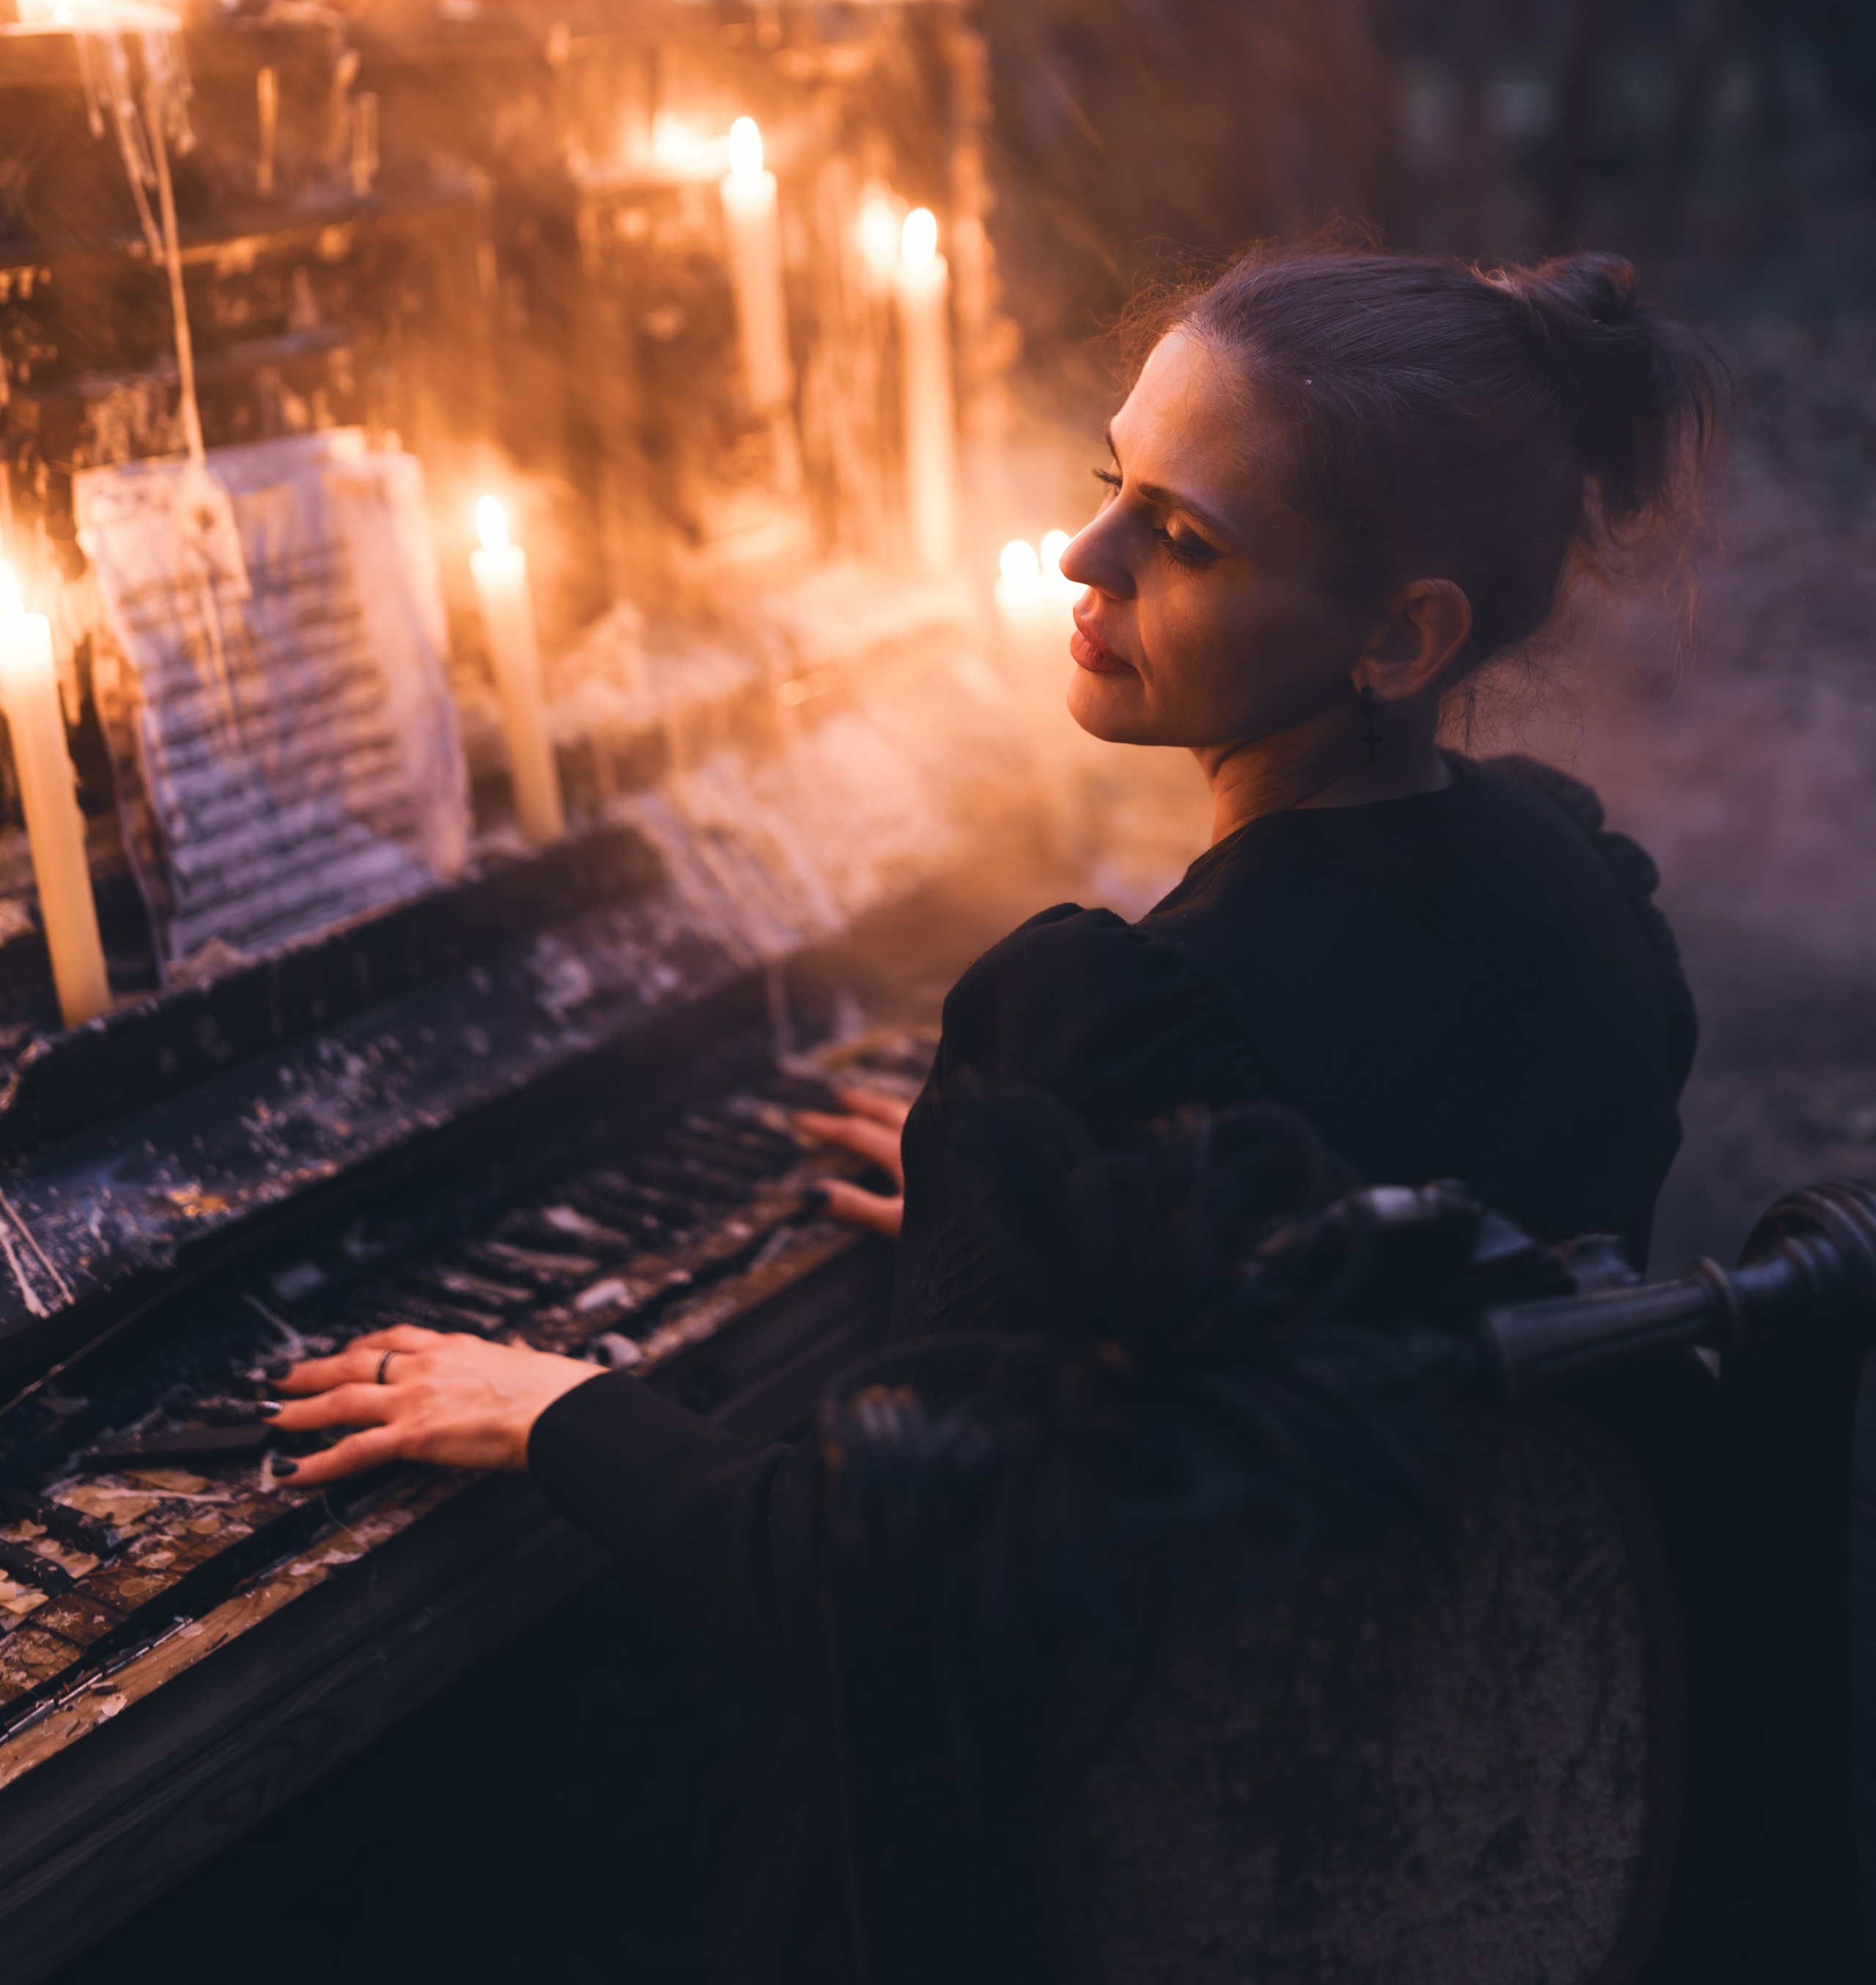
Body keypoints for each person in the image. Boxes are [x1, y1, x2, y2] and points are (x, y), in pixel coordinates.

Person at [267, 243, 1721, 1657]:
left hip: (1202, 1792)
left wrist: (553, 1406)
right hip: (1544, 1692)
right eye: (1110, 485)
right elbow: (1367, 1274)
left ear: (1399, 638)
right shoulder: (1577, 884)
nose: (1083, 558)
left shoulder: (1106, 1019)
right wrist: (1051, 1228)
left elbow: (859, 1574)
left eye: (1183, 535)